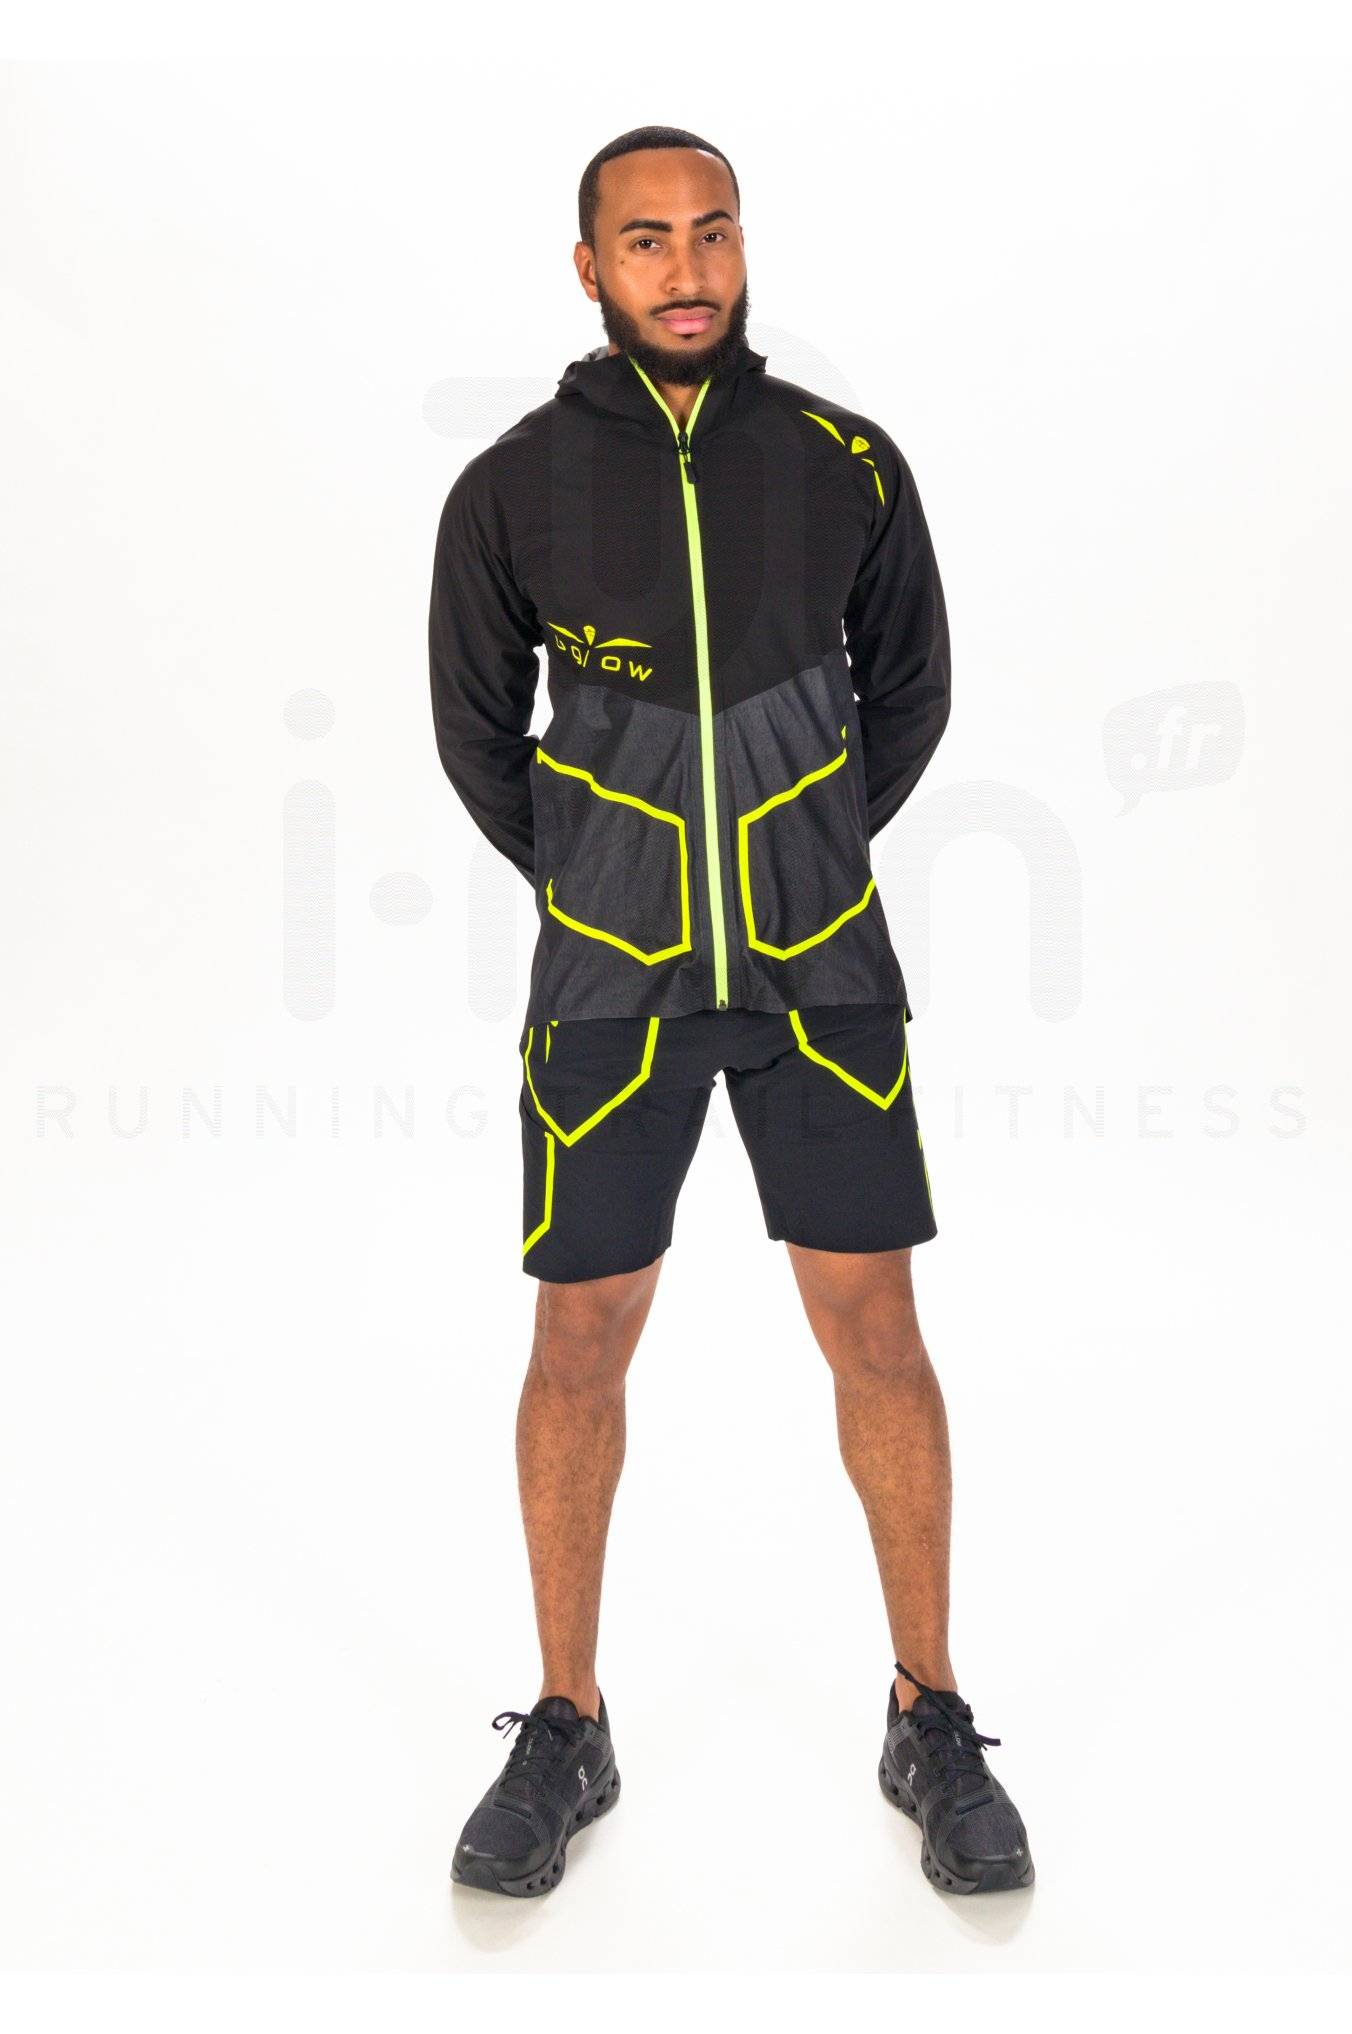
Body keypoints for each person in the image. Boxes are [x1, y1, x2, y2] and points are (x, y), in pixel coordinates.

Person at [428, 125, 1032, 1900]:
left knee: (877, 1330)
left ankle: (928, 1711)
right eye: (645, 240)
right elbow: (476, 735)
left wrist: (798, 842)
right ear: (590, 267)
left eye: (710, 233)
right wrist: (610, 865)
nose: (685, 269)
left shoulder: (844, 462)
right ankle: (566, 1720)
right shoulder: (514, 486)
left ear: (743, 246)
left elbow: (908, 693)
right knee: (579, 1338)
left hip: (817, 970)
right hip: (607, 979)